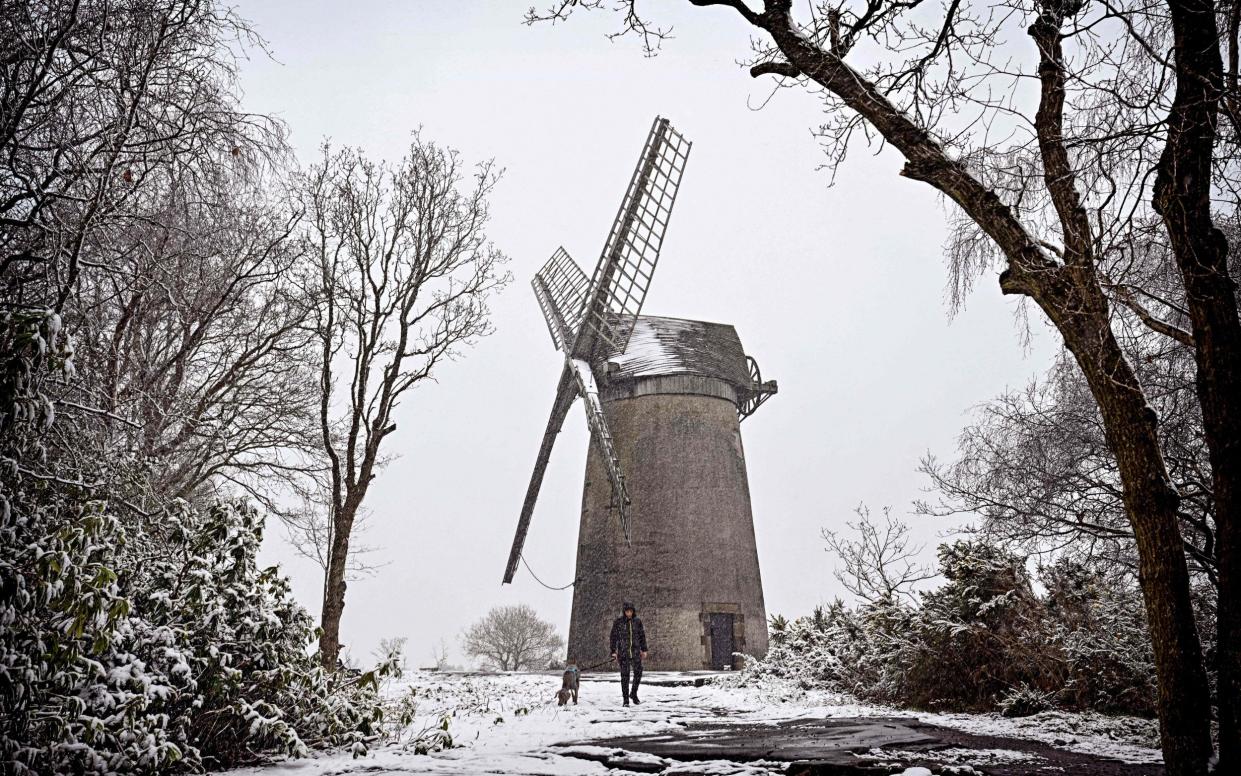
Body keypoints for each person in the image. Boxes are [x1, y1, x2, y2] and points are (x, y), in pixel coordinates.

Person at [609, 601, 647, 706]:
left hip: (635, 652)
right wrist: (613, 651)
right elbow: (613, 637)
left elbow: (642, 636)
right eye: (627, 611)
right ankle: (625, 700)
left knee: (638, 673)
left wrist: (644, 649)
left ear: (633, 611)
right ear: (624, 611)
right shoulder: (619, 622)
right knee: (625, 677)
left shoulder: (637, 622)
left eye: (630, 611)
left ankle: (633, 693)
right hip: (623, 653)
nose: (629, 613)